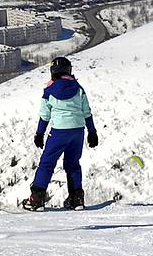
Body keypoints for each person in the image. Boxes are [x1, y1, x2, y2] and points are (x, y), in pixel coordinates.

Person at [22, 56, 98, 211]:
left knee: (47, 163)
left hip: (59, 133)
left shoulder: (49, 91)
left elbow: (45, 116)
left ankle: (37, 200)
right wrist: (92, 131)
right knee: (73, 164)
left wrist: (39, 134)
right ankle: (76, 199)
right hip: (78, 131)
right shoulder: (78, 89)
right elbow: (87, 112)